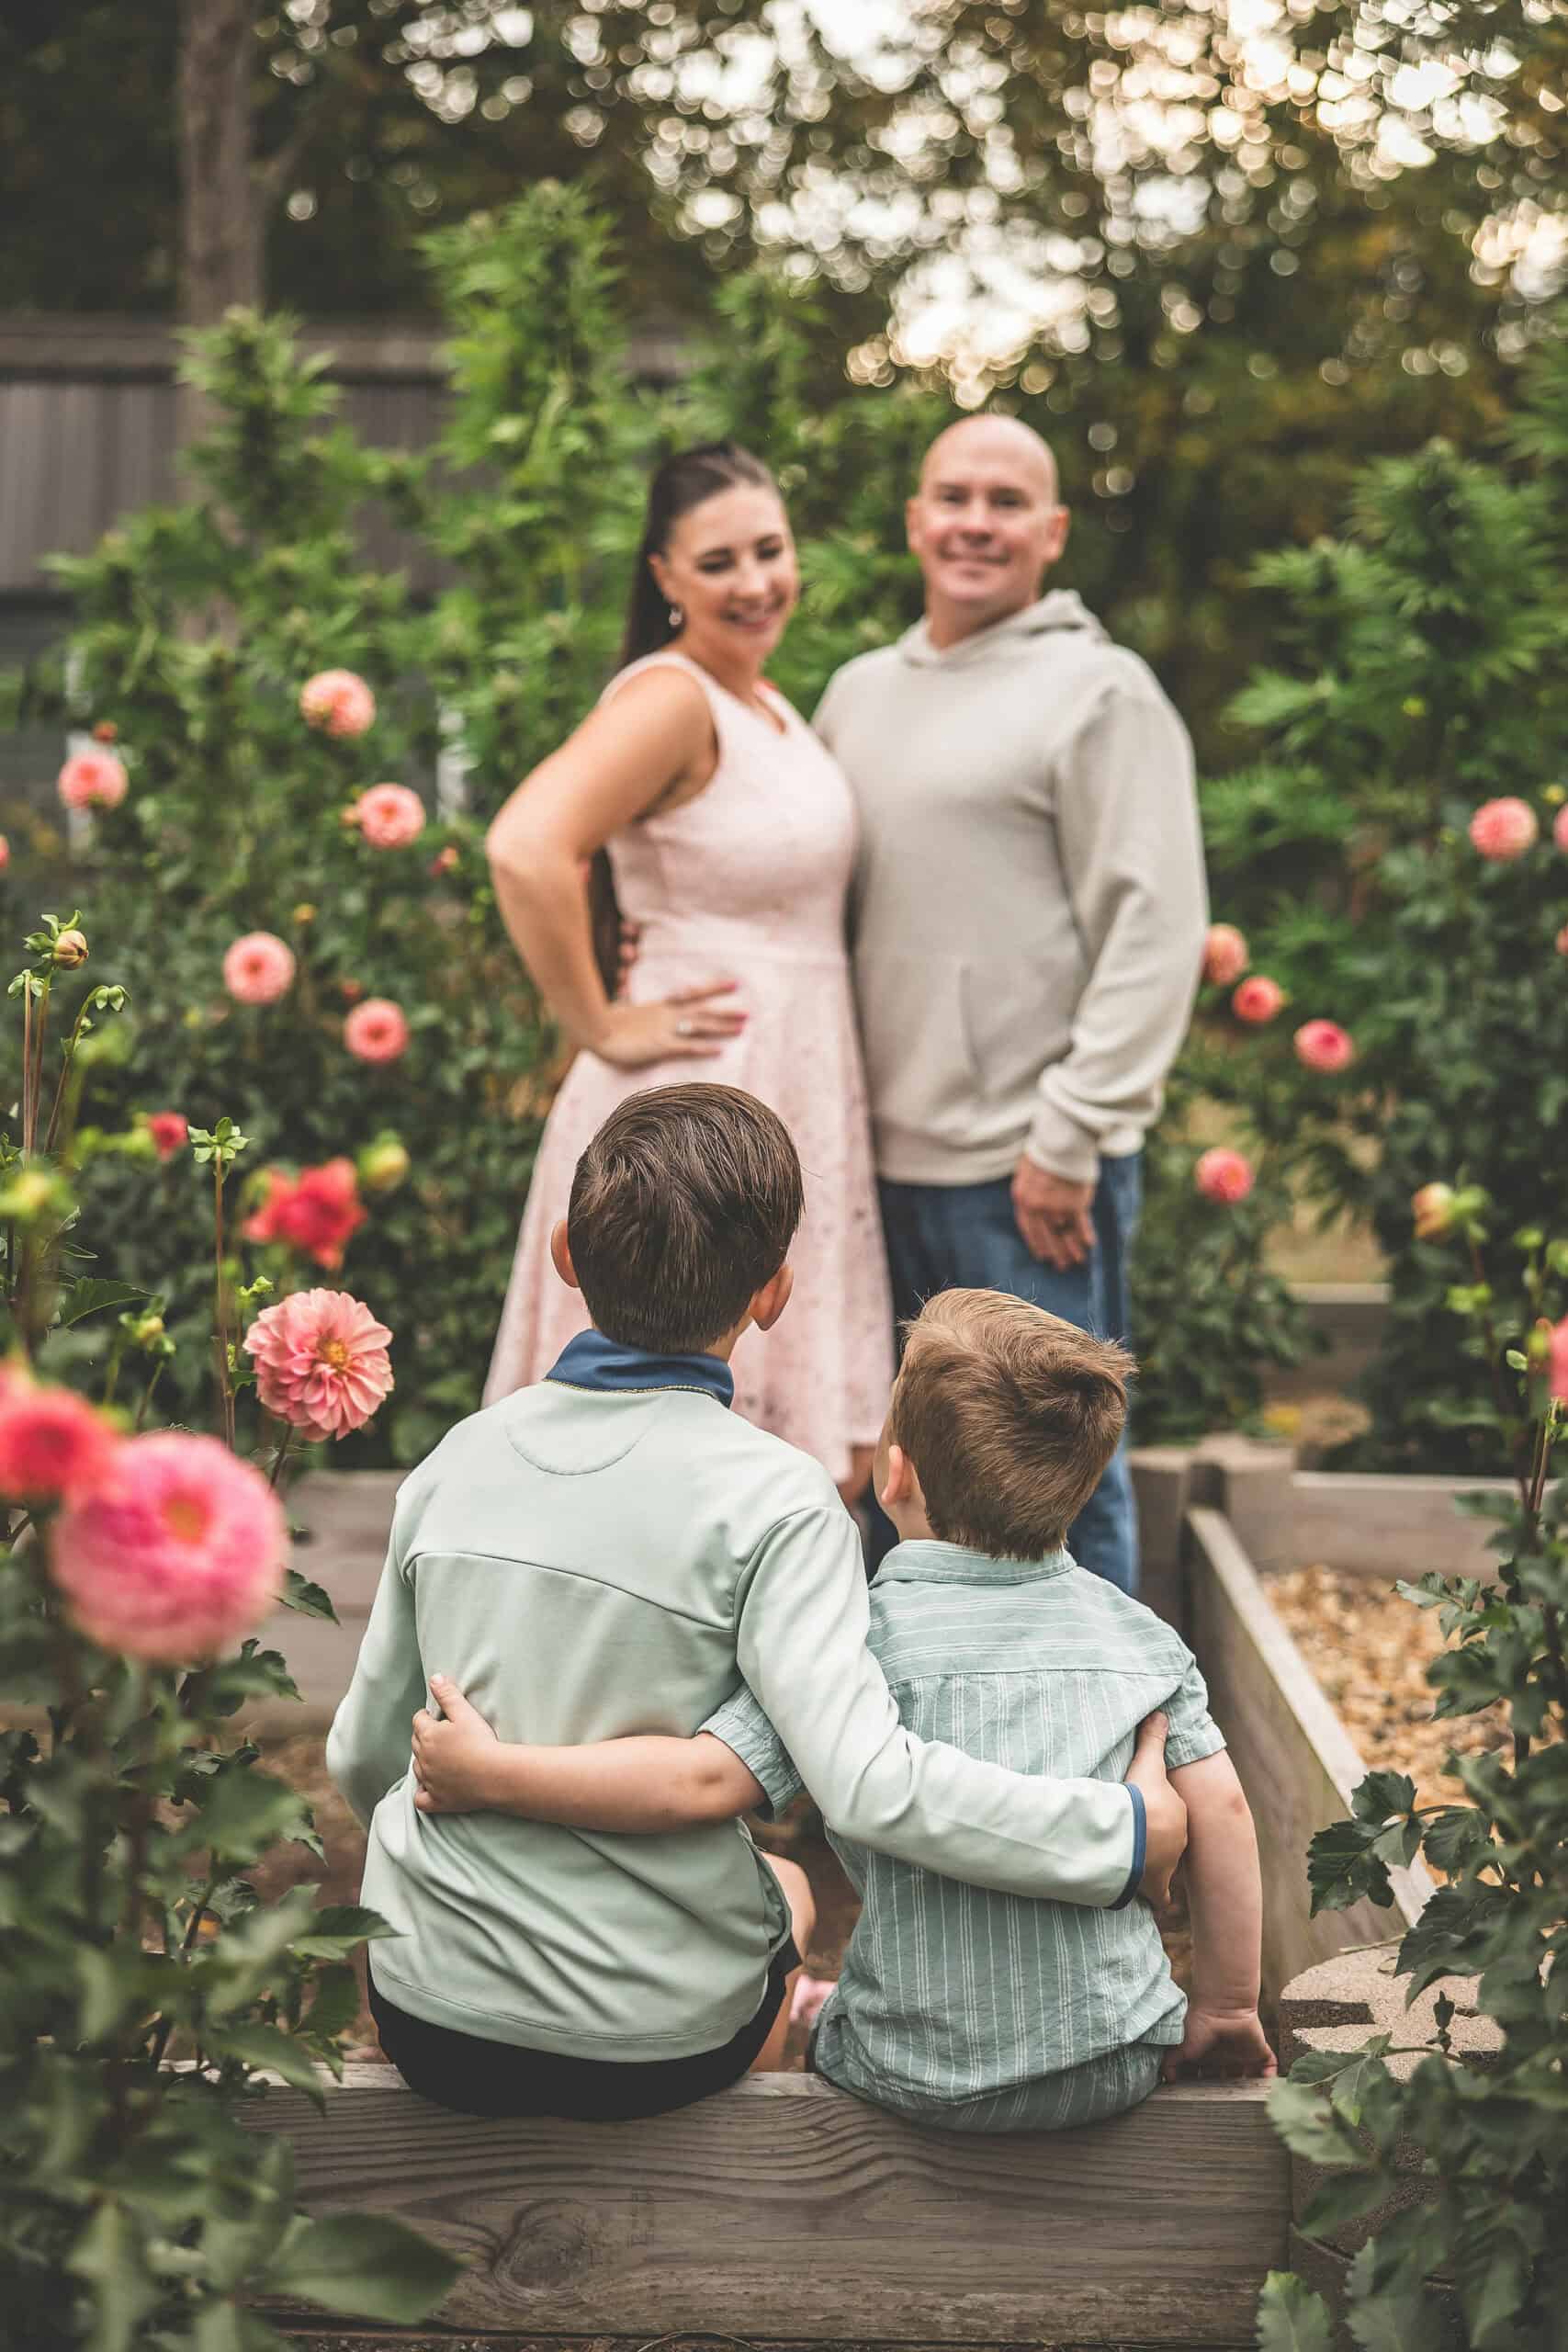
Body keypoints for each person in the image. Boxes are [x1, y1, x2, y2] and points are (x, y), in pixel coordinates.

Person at [327, 1086, 1186, 2122]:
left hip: (429, 2021)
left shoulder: (451, 1462)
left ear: (563, 1251)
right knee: (789, 1893)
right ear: (773, 1292)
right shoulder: (784, 1503)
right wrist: (1124, 1832)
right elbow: (866, 1790)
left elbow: (361, 1759)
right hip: (651, 2047)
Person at [412, 1288, 1273, 2133]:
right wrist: (1226, 2006)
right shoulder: (1142, 1642)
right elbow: (1224, 1813)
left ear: (892, 1475)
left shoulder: (855, 1639)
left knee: (809, 2000)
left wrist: (498, 1773)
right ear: (1078, 1490)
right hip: (1111, 2060)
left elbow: (700, 1778)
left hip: (907, 2069)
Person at [820, 414, 1209, 1589]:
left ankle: (1105, 1758)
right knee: (906, 1482)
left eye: (1005, 500)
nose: (975, 521)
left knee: (1057, 1485)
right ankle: (932, 1746)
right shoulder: (856, 692)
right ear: (914, 520)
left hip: (1026, 1175)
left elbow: (1157, 925)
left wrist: (1072, 1131)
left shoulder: (1101, 692)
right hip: (875, 1167)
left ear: (1051, 531)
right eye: (953, 495)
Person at [481, 439, 890, 1504]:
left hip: (792, 1081)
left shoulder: (769, 705)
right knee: (640, 1457)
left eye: (771, 550)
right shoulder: (672, 699)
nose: (754, 583)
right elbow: (526, 847)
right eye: (718, 563)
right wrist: (602, 1022)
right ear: (663, 576)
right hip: (698, 1095)